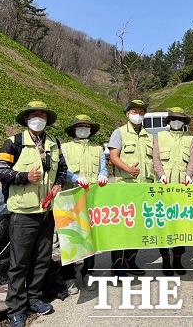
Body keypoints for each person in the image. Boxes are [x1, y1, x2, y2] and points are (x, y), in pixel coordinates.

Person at [0, 101, 67, 327]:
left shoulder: (54, 143)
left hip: (47, 211)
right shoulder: (14, 143)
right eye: (34, 115)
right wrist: (24, 176)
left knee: (42, 258)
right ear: (27, 119)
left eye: (42, 115)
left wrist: (58, 186)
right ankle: (16, 308)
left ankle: (34, 299)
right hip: (24, 212)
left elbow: (62, 170)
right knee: (19, 262)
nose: (38, 118)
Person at [60, 115, 108, 293]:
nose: (83, 129)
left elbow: (103, 167)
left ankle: (89, 273)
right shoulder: (64, 148)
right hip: (70, 199)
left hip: (91, 198)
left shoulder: (98, 148)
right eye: (79, 126)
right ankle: (69, 277)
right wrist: (74, 177)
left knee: (90, 237)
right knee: (69, 237)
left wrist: (103, 175)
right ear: (74, 129)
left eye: (86, 126)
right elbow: (62, 170)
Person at [108, 99, 154, 278]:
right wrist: (127, 168)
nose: (138, 115)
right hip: (125, 189)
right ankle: (117, 265)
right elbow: (113, 156)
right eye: (134, 111)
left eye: (141, 112)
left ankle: (130, 260)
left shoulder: (149, 136)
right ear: (127, 114)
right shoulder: (119, 133)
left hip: (144, 189)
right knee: (123, 228)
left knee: (138, 228)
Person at [153, 107, 193, 276]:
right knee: (164, 224)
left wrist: (189, 175)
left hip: (182, 188)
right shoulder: (160, 137)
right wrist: (162, 174)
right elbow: (156, 158)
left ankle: (178, 259)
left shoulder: (190, 139)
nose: (176, 121)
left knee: (180, 224)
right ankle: (165, 260)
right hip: (164, 187)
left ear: (184, 122)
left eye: (179, 119)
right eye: (173, 118)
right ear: (169, 121)